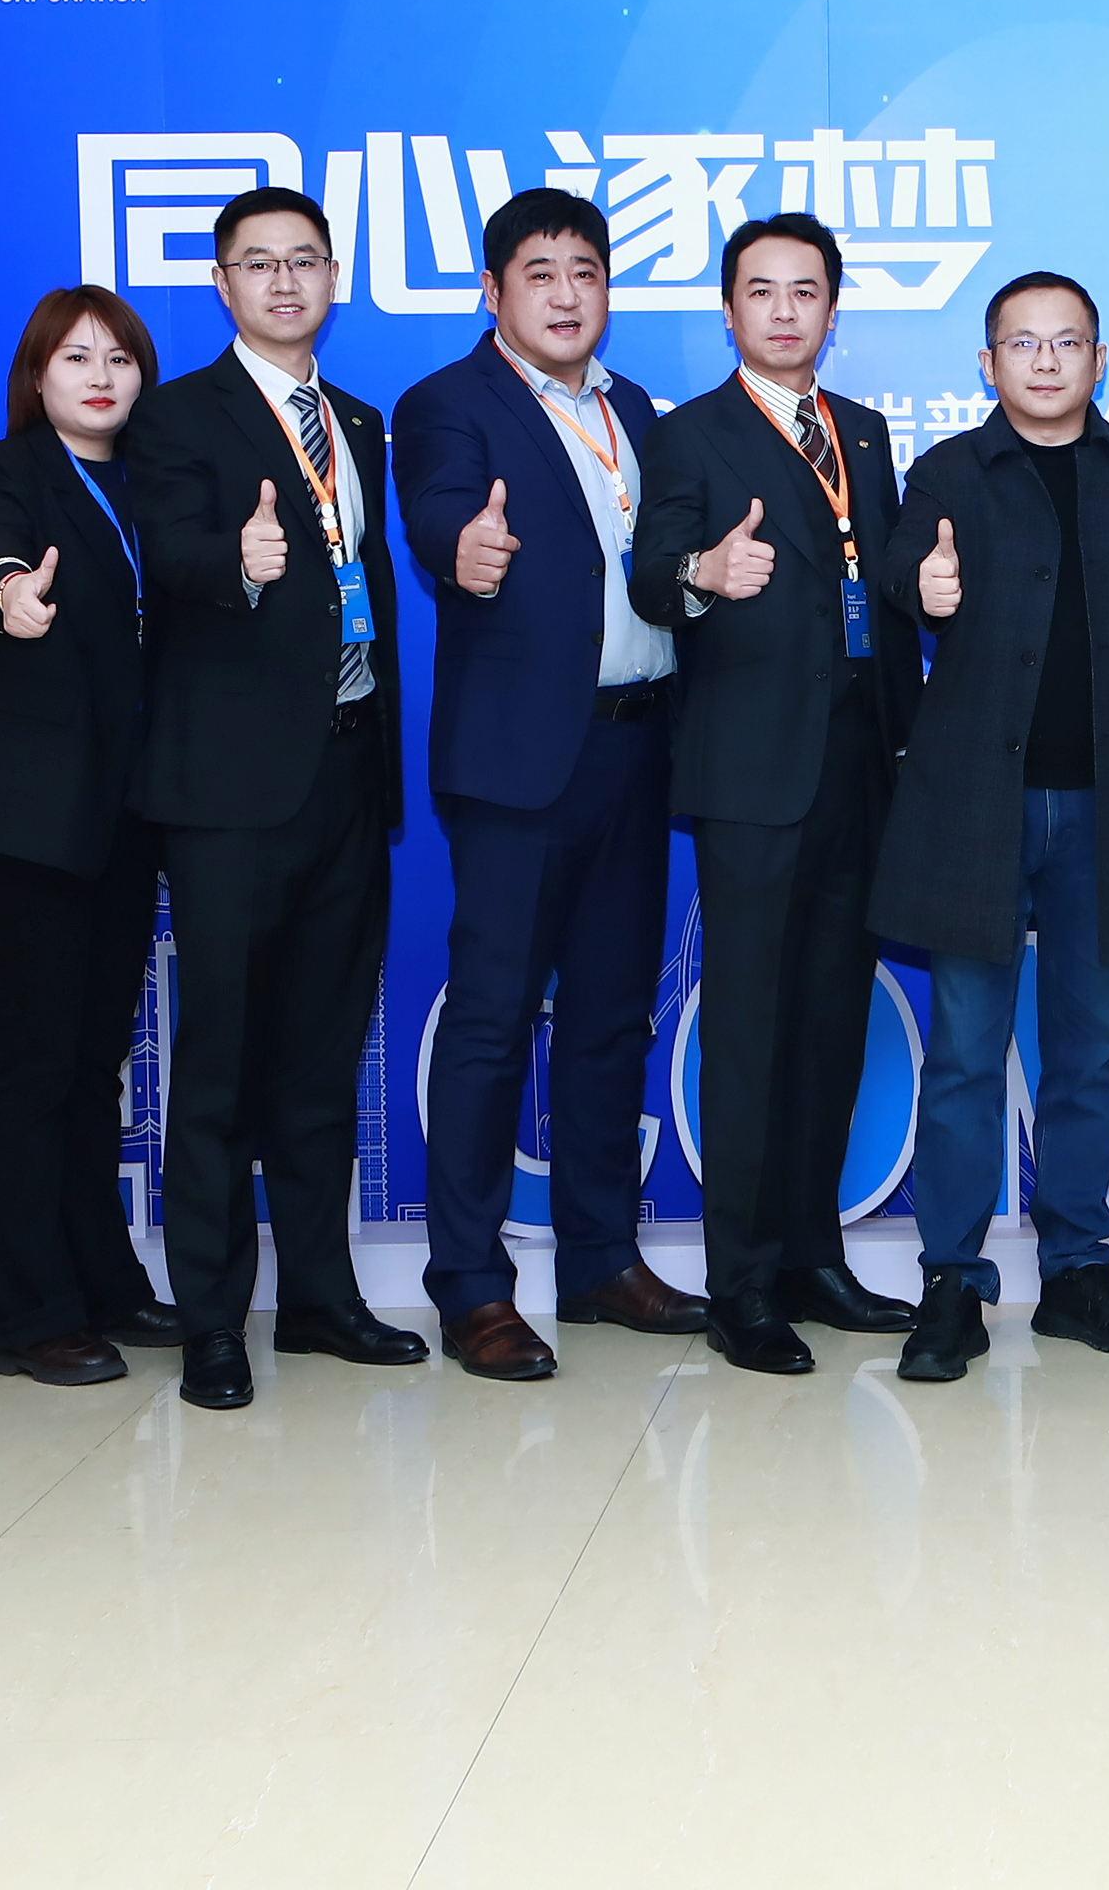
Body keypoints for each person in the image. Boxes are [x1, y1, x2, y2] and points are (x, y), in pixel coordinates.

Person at [870, 270, 1109, 1384]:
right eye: (1022, 343)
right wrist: (918, 585)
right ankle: (952, 1281)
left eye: (1068, 341)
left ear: (1100, 358)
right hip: (976, 803)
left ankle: (1075, 1270)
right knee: (965, 1055)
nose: (1047, 360)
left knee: (1087, 1053)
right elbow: (897, 568)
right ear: (988, 363)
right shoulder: (946, 471)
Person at [117, 187, 429, 1411]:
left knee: (320, 1056)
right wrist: (233, 562)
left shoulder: (354, 419)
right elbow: (166, 549)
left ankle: (319, 1297)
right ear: (221, 283)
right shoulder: (179, 411)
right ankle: (211, 1317)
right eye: (258, 263)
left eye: (304, 260)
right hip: (232, 791)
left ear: (333, 277)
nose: (284, 282)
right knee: (221, 1063)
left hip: (346, 771)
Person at [394, 188, 697, 1384]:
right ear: (493, 290)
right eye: (539, 272)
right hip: (519, 761)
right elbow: (439, 512)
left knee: (613, 1017)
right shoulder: (446, 402)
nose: (566, 294)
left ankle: (600, 1259)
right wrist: (460, 549)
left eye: (585, 271)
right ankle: (471, 1284)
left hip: (637, 746)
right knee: (491, 1021)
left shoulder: (638, 411)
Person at [629, 211, 924, 1376]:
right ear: (728, 310)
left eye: (805, 290)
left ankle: (812, 1255)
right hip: (754, 773)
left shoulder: (863, 428)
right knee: (749, 1031)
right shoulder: (688, 431)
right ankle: (741, 1284)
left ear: (831, 309)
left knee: (831, 1021)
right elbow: (650, 575)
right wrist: (702, 571)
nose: (784, 309)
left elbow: (876, 577)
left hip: (862, 764)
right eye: (761, 290)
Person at [0, 285, 185, 1388]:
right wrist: (8, 595)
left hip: (131, 812)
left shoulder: (155, 482)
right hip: (33, 816)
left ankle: (102, 1281)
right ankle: (24, 1310)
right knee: (38, 1059)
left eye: (119, 358)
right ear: (36, 376)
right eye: (75, 357)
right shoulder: (4, 468)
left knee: (94, 1062)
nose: (100, 375)